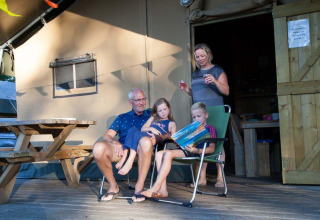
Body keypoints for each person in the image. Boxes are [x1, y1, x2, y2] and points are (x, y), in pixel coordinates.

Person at [141, 102, 217, 198]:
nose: (196, 119)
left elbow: (211, 149)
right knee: (159, 154)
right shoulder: (192, 128)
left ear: (206, 115)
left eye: (199, 116)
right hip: (185, 150)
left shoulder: (210, 129)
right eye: (194, 117)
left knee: (168, 154)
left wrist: (197, 151)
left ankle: (155, 187)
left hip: (195, 152)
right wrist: (178, 140)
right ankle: (163, 190)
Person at [179, 43, 229, 188]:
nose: (200, 59)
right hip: (200, 113)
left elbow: (226, 91)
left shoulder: (217, 70)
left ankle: (220, 177)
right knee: (201, 142)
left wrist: (214, 81)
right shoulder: (196, 73)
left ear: (208, 54)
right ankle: (201, 178)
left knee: (217, 142)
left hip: (215, 110)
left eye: (202, 55)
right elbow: (197, 93)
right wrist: (187, 90)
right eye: (197, 57)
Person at [93, 88, 153, 203]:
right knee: (98, 148)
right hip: (124, 150)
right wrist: (116, 143)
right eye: (138, 100)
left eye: (143, 99)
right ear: (131, 102)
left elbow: (165, 128)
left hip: (143, 150)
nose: (142, 102)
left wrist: (158, 138)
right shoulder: (122, 117)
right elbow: (107, 136)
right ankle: (113, 186)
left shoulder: (151, 115)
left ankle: (139, 188)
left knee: (144, 142)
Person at [116, 98, 177, 175]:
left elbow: (174, 137)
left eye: (164, 109)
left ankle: (129, 162)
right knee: (132, 130)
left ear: (169, 108)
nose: (163, 112)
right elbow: (143, 129)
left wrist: (163, 136)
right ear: (157, 112)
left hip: (152, 142)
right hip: (143, 138)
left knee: (136, 133)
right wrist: (151, 128)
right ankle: (124, 159)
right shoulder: (153, 118)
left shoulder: (171, 123)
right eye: (160, 111)